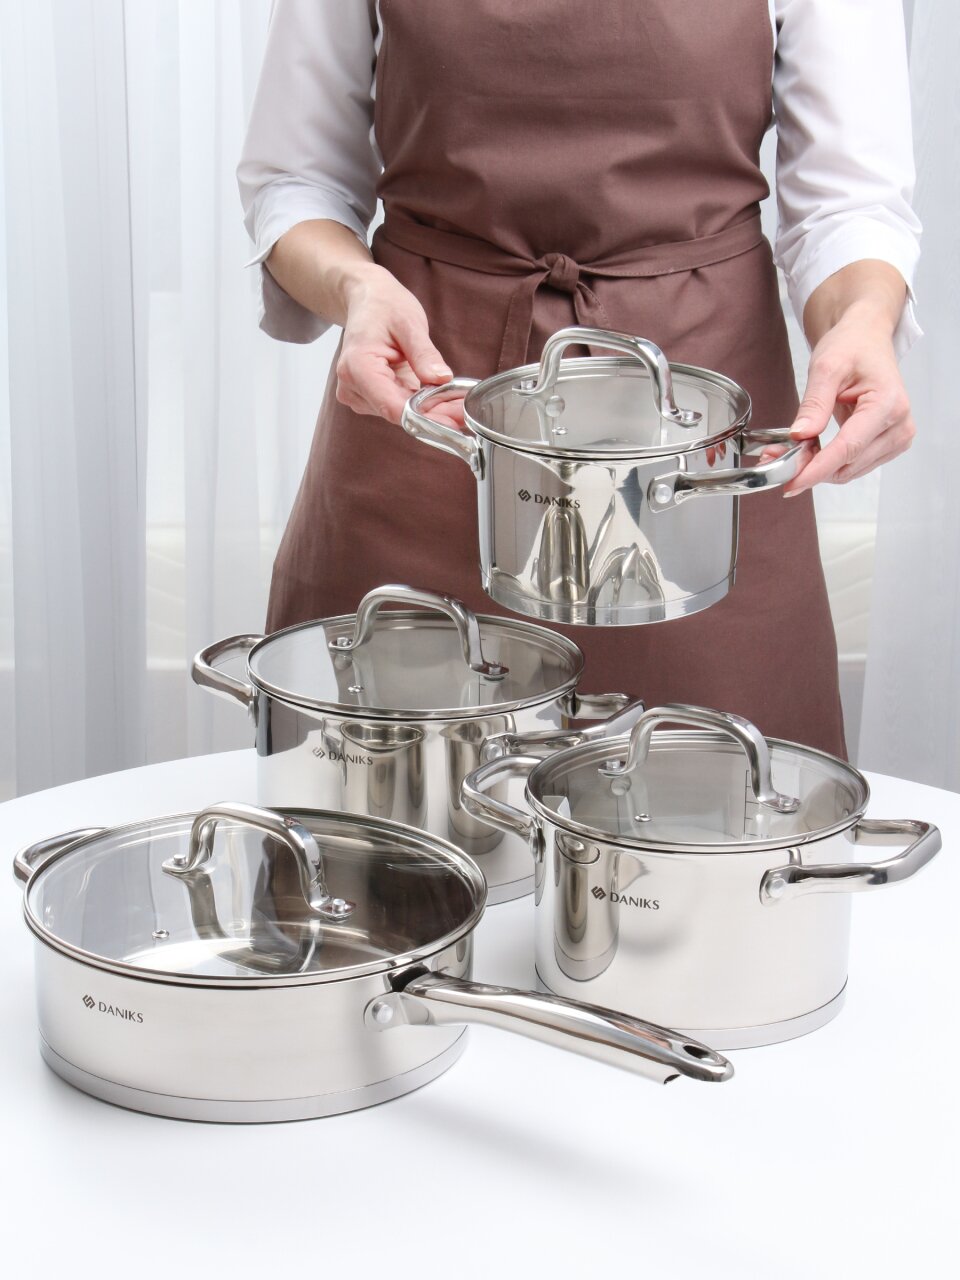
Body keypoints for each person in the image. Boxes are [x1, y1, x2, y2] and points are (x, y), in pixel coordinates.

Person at [237, 0, 921, 758]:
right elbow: (297, 180)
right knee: (379, 816)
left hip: (697, 478)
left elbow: (846, 204)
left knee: (725, 800)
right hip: (430, 421)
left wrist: (863, 318)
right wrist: (357, 289)